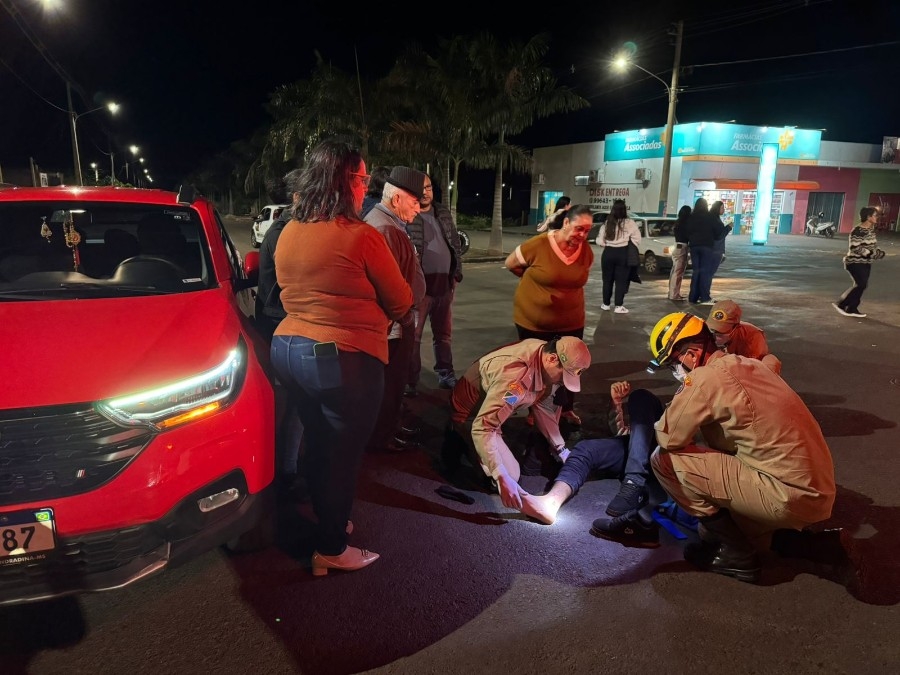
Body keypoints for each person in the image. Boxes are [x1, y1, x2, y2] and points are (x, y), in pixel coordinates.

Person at [592, 311, 836, 584]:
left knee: (666, 460)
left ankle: (737, 556)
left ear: (692, 354)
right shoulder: (748, 364)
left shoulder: (707, 378)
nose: (676, 371)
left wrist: (684, 395)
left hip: (785, 493)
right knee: (724, 529)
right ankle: (796, 540)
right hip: (816, 490)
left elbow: (668, 438)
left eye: (674, 363)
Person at [269, 138, 414, 577]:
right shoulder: (360, 236)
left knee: (317, 444)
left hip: (287, 348)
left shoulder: (291, 229)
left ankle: (330, 520)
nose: (365, 186)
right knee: (342, 457)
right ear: (347, 181)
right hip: (340, 356)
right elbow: (402, 302)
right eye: (363, 178)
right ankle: (331, 546)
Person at [445, 336, 592, 510]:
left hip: (491, 408)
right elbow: (483, 426)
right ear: (552, 359)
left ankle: (481, 447)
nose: (562, 383)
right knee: (510, 475)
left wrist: (561, 449)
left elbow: (543, 407)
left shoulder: (543, 356)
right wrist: (500, 476)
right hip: (470, 414)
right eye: (563, 376)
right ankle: (458, 434)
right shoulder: (515, 378)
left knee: (550, 398)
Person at [517, 384, 664, 543]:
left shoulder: (693, 388)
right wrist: (616, 405)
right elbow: (627, 434)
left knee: (643, 396)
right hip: (644, 451)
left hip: (673, 455)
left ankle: (633, 482)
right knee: (585, 449)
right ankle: (551, 502)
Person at [504, 204, 594, 425]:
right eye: (578, 228)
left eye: (588, 230)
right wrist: (537, 285)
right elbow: (511, 264)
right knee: (536, 368)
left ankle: (564, 409)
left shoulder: (586, 251)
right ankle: (534, 409)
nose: (582, 234)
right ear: (565, 223)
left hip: (571, 321)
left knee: (570, 365)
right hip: (533, 321)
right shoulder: (539, 244)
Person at [363, 167, 427, 453]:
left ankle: (387, 431)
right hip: (393, 325)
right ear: (397, 198)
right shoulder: (385, 228)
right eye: (415, 202)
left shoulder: (388, 223)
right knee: (388, 388)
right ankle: (382, 440)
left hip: (396, 322)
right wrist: (403, 316)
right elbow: (388, 286)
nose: (419, 209)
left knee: (390, 388)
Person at [256, 169, 305, 494]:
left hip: (281, 321)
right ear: (299, 197)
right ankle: (284, 473)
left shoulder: (286, 229)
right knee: (294, 401)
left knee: (292, 400)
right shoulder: (287, 232)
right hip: (283, 324)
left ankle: (283, 468)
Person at [406, 172, 464, 395]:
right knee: (414, 337)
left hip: (445, 285)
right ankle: (411, 381)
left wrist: (456, 273)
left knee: (444, 335)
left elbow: (455, 243)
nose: (425, 192)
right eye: (421, 189)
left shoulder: (442, 212)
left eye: (429, 187)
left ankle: (445, 374)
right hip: (420, 289)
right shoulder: (408, 215)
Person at [832, 206, 886, 319]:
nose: (877, 218)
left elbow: (871, 246)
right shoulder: (858, 230)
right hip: (854, 262)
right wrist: (872, 254)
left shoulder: (870, 230)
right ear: (868, 217)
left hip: (866, 262)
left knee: (861, 285)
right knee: (861, 284)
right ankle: (842, 304)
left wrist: (879, 253)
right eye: (875, 215)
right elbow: (855, 247)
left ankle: (852, 308)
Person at [706, 299, 782, 375]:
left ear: (736, 327)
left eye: (720, 332)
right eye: (712, 330)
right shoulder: (703, 331)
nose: (714, 336)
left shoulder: (753, 337)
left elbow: (754, 370)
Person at [597, 199, 641, 314]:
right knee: (621, 281)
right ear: (624, 209)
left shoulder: (608, 222)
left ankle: (606, 304)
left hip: (608, 253)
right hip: (623, 253)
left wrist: (607, 244)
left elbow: (600, 241)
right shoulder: (630, 223)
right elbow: (637, 238)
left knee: (607, 280)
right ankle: (618, 306)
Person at [686, 197, 725, 305]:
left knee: (696, 272)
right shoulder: (709, 217)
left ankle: (692, 297)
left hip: (694, 247)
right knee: (705, 272)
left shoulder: (691, 217)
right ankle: (705, 297)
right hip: (706, 247)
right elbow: (718, 232)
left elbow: (687, 230)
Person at [667, 204, 691, 301]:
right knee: (678, 272)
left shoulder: (678, 223)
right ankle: (674, 295)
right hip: (682, 247)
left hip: (677, 246)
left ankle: (672, 293)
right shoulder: (685, 224)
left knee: (674, 271)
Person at [709, 200, 733, 281]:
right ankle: (704, 292)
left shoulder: (713, 218)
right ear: (717, 208)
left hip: (714, 249)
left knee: (709, 272)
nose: (724, 210)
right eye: (722, 207)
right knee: (710, 272)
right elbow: (720, 235)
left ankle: (703, 292)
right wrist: (728, 227)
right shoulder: (715, 220)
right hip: (715, 249)